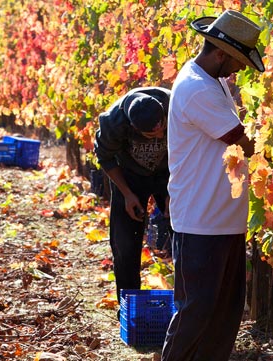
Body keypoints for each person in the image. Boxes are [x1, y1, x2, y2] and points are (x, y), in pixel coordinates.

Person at [163, 10, 265, 360]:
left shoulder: (213, 81)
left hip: (223, 220)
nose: (238, 71)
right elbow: (243, 142)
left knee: (225, 314)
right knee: (198, 311)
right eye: (237, 62)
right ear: (220, 52)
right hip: (201, 220)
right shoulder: (195, 88)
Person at [93, 86, 172, 311]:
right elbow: (105, 158)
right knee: (125, 242)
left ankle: (186, 305)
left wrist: (172, 192)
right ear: (132, 127)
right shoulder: (113, 122)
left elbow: (188, 149)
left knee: (183, 230)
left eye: (162, 130)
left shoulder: (174, 104)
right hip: (130, 175)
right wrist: (127, 194)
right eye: (151, 135)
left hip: (168, 171)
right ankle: (130, 307)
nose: (159, 136)